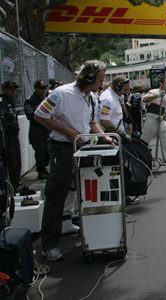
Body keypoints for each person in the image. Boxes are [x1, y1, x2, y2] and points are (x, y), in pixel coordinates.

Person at [33, 60, 111, 260]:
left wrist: (105, 136)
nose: (101, 84)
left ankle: (83, 230)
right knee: (56, 194)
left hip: (84, 147)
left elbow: (92, 122)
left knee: (83, 191)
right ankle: (49, 244)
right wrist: (66, 130)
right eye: (99, 80)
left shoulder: (92, 97)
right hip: (62, 149)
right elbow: (40, 115)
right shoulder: (61, 93)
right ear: (90, 77)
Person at [24, 80, 51, 179]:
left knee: (47, 151)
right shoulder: (30, 100)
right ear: (35, 88)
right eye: (41, 88)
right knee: (40, 152)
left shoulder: (45, 99)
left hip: (46, 129)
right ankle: (41, 170)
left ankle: (45, 168)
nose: (43, 90)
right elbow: (30, 115)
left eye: (44, 88)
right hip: (36, 130)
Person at [0, 81, 22, 190]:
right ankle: (11, 184)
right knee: (11, 161)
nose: (13, 91)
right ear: (4, 89)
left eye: (14, 89)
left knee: (17, 161)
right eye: (10, 89)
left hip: (14, 136)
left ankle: (16, 183)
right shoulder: (2, 102)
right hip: (6, 138)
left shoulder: (11, 101)